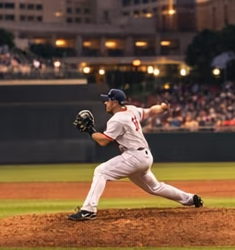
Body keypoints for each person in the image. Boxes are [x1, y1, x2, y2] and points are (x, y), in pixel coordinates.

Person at [68, 89, 203, 220]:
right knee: (156, 187)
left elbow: (103, 141)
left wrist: (90, 131)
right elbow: (151, 111)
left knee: (101, 171)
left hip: (133, 157)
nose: (105, 103)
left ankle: (88, 210)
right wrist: (162, 107)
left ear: (114, 102)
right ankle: (190, 199)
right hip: (144, 156)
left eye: (107, 100)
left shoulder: (117, 120)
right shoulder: (131, 109)